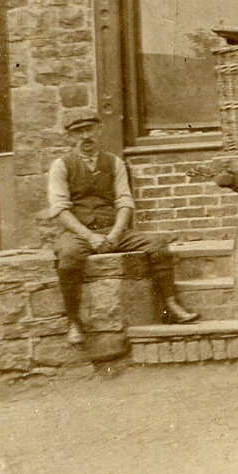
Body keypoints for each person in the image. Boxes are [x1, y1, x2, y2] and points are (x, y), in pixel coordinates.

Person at [49, 108, 200, 347]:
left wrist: (115, 234)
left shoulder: (114, 162)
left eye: (89, 130)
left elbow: (124, 201)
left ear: (98, 131)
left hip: (113, 229)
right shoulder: (62, 166)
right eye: (78, 132)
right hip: (79, 233)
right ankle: (74, 321)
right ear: (69, 137)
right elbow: (60, 209)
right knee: (67, 258)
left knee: (158, 245)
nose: (85, 137)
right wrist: (89, 237)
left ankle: (170, 304)